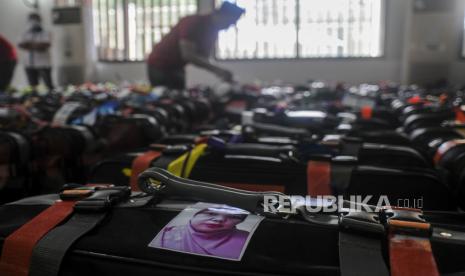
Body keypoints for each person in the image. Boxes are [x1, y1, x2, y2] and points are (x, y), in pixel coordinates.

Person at [147, 2, 245, 90]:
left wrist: (220, 71)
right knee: (168, 101)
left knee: (181, 99)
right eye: (230, 21)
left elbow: (203, 58)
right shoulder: (193, 22)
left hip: (177, 67)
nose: (230, 25)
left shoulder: (212, 32)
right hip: (159, 65)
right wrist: (218, 70)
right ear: (221, 15)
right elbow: (188, 55)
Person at [153, 206, 249, 259]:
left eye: (234, 217)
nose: (219, 219)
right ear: (194, 214)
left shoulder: (249, 239)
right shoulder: (164, 234)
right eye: (211, 213)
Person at [18, 13, 54, 90]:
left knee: (48, 85)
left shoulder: (46, 33)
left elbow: (45, 45)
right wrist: (36, 45)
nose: (34, 22)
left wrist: (29, 45)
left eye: (35, 19)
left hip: (44, 63)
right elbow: (21, 45)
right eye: (32, 19)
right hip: (29, 64)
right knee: (33, 87)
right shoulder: (25, 33)